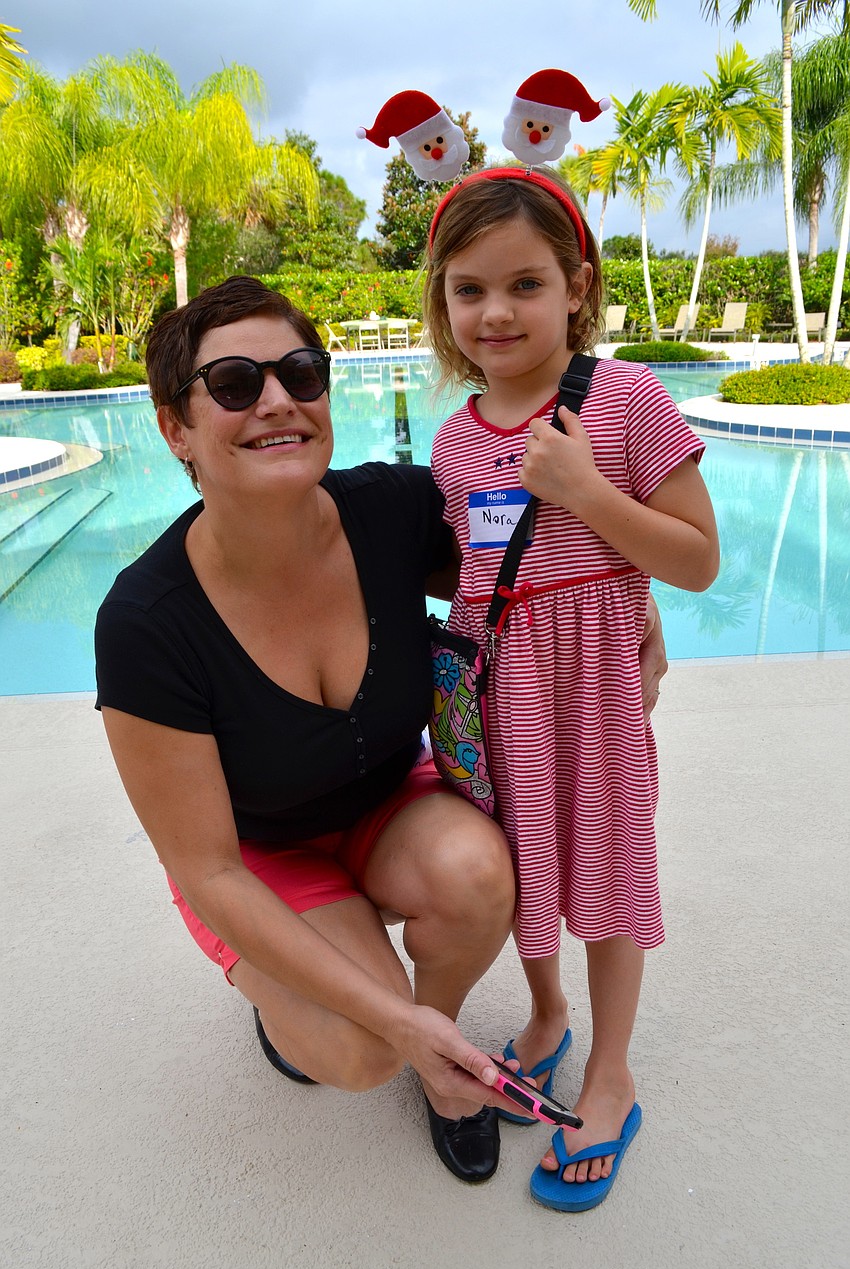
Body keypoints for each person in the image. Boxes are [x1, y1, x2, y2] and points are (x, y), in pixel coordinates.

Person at [94, 275, 670, 1189]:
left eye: (300, 372)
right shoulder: (148, 621)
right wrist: (392, 1024)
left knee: (479, 874)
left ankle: (435, 1063)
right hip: (259, 853)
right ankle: (350, 1009)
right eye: (236, 384)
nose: (277, 399)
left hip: (384, 805)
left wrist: (635, 613)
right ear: (176, 429)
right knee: (360, 1049)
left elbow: (531, 575)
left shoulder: (393, 511)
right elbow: (208, 869)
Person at [423, 168, 719, 1211]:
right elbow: (472, 561)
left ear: (576, 285)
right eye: (468, 288)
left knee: (605, 864)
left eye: (524, 284)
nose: (495, 311)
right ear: (442, 298)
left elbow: (694, 559)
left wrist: (586, 491)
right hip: (505, 685)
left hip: (593, 688)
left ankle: (609, 1070)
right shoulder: (456, 437)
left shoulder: (628, 399)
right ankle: (546, 1015)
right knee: (520, 864)